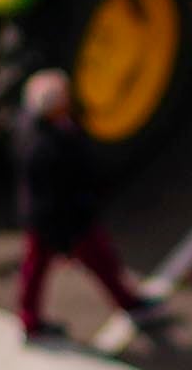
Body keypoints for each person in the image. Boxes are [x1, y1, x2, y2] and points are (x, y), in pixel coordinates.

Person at [10, 52, 153, 344]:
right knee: (101, 261)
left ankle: (29, 320)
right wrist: (66, 240)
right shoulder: (53, 147)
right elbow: (62, 191)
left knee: (35, 267)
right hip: (67, 221)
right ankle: (130, 305)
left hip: (44, 217)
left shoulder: (27, 128)